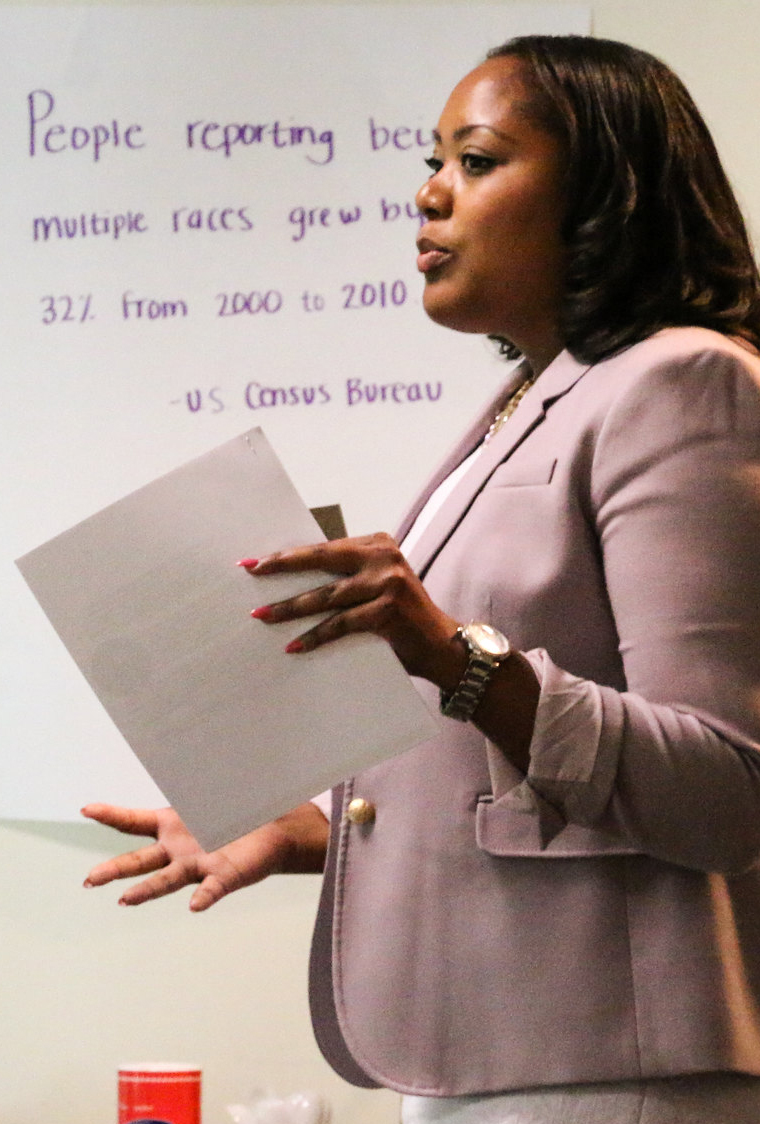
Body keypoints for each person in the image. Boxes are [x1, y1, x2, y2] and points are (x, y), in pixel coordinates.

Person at [83, 34, 760, 1124]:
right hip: (486, 1054)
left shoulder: (683, 380)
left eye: (478, 160)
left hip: (607, 1063)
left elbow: (727, 788)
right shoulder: (533, 404)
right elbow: (503, 777)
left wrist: (450, 651)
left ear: (602, 193)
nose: (429, 193)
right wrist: (297, 825)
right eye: (431, 159)